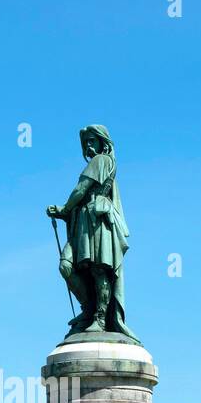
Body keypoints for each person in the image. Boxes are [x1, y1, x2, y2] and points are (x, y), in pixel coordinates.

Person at [46, 124, 137, 341]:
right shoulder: (100, 162)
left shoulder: (102, 160)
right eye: (85, 141)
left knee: (99, 268)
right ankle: (88, 309)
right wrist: (66, 212)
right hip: (82, 220)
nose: (88, 144)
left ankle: (101, 318)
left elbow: (81, 189)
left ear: (102, 142)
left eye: (92, 140)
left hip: (96, 219)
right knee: (66, 266)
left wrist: (64, 209)